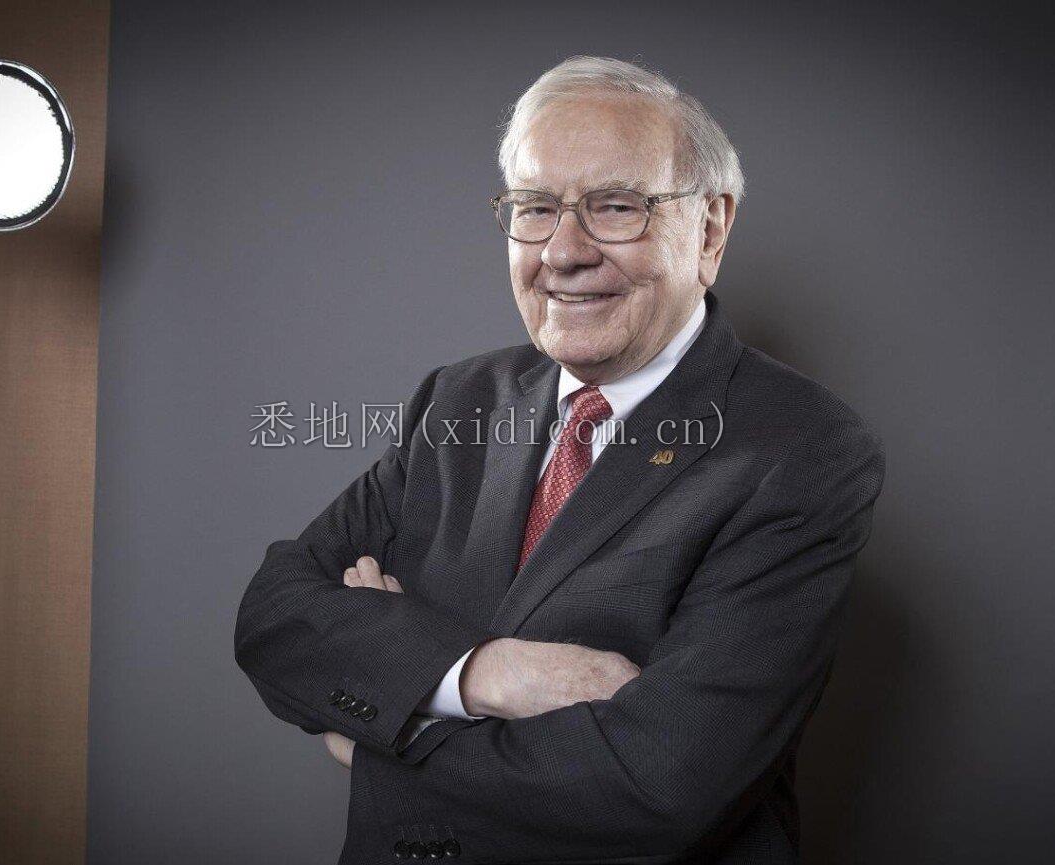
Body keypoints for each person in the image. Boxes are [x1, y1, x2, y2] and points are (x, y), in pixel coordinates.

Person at [235, 55, 886, 864]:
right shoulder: (458, 400)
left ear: (710, 229)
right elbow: (274, 616)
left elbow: (657, 785)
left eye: (615, 206)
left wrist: (382, 726)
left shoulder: (802, 449)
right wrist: (486, 673)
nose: (563, 251)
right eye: (536, 208)